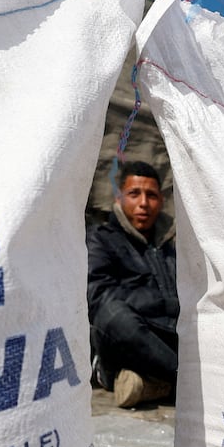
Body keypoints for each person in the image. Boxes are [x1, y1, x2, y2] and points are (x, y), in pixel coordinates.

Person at [86, 160, 178, 407]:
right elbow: (98, 296)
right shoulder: (101, 240)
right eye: (134, 194)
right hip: (128, 338)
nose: (144, 203)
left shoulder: (171, 246)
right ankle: (189, 383)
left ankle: (152, 385)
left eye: (151, 195)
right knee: (115, 316)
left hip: (170, 336)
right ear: (118, 199)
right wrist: (166, 305)